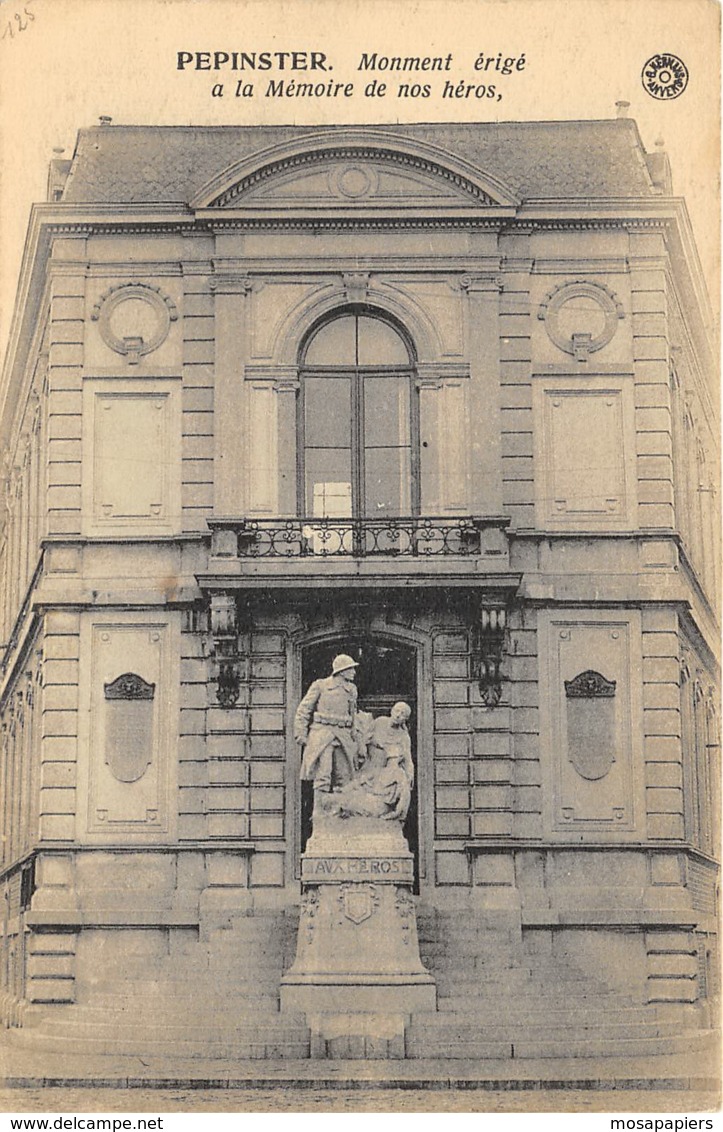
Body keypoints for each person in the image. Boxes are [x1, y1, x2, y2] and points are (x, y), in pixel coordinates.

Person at [294, 654, 360, 797]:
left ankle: (341, 812)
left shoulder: (352, 689)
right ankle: (319, 812)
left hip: (343, 735)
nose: (354, 672)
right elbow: (304, 710)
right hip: (323, 734)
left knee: (345, 776)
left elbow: (353, 714)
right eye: (351, 669)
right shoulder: (321, 685)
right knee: (323, 774)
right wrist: (301, 733)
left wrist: (355, 735)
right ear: (342, 671)